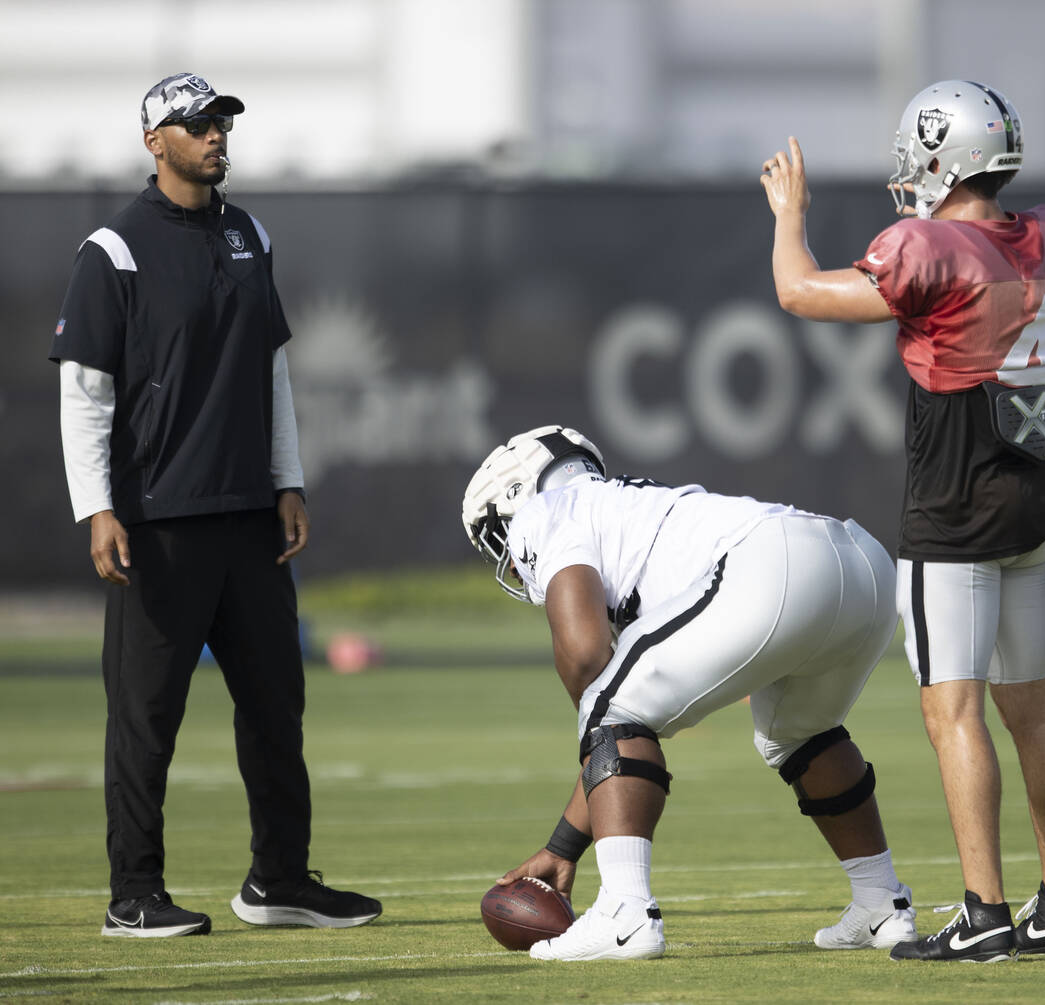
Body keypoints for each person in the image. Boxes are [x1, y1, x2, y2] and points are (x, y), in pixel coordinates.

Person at [760, 80, 1045, 962]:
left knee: (954, 712)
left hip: (957, 505)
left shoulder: (924, 246)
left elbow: (800, 292)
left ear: (946, 159)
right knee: (1035, 713)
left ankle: (983, 913)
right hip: (1037, 499)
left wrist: (790, 217)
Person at [50, 72, 381, 938]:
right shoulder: (113, 250)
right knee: (146, 717)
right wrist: (98, 508)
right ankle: (134, 894)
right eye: (196, 124)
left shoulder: (249, 234)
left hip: (250, 518)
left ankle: (280, 881)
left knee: (276, 707)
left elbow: (269, 370)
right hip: (157, 521)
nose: (215, 135)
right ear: (154, 141)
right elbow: (85, 393)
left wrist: (287, 480)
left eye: (221, 122)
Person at [462, 424, 918, 961]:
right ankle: (881, 904)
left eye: (498, 538)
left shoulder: (544, 512)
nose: (512, 562)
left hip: (774, 566)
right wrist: (564, 846)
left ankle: (625, 915)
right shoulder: (622, 506)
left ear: (516, 497)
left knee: (610, 708)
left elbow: (589, 663)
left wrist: (600, 728)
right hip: (862, 566)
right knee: (800, 734)